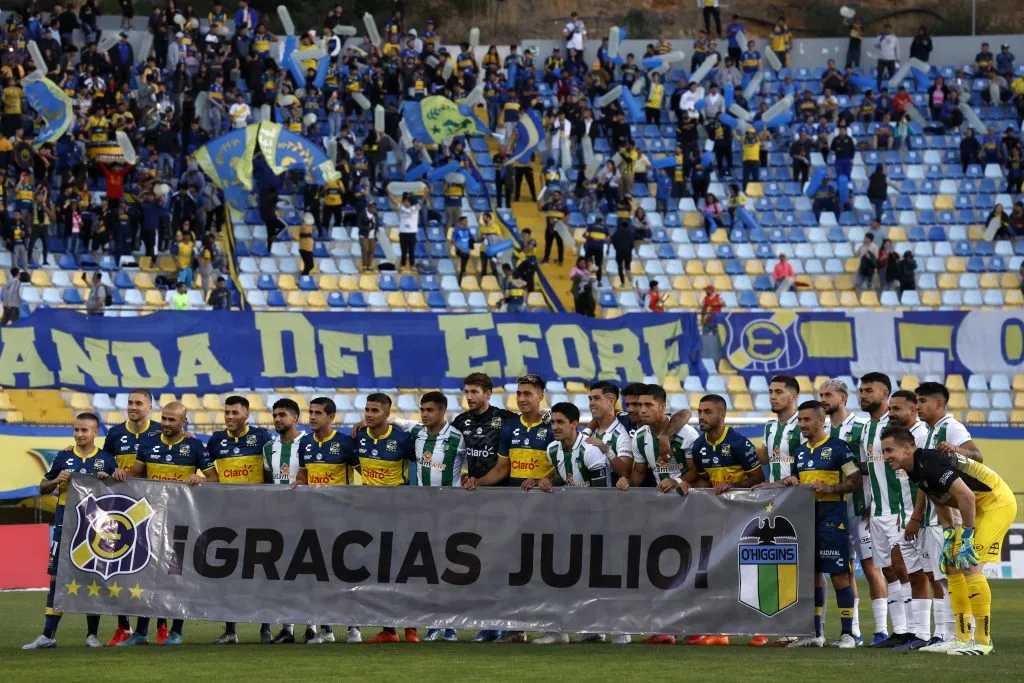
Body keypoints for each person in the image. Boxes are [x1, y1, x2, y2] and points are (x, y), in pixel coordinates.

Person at [881, 426, 1016, 656]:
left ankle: (983, 642)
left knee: (970, 565)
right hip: (979, 507)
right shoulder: (916, 468)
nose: (885, 457)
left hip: (996, 503)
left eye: (889, 450)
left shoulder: (931, 463)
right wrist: (949, 536)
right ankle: (962, 638)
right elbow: (939, 499)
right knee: (952, 565)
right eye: (883, 451)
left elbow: (967, 496)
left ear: (907, 447)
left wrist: (967, 536)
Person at [760, 400, 862, 648]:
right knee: (812, 576)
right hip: (806, 519)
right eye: (800, 420)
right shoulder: (800, 450)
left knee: (839, 575)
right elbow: (797, 479)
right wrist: (784, 483)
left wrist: (831, 488)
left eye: (807, 420)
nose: (803, 424)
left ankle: (848, 634)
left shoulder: (839, 448)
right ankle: (815, 634)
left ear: (821, 420)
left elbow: (856, 480)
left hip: (832, 518)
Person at [22, 413, 124, 650]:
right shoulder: (63, 457)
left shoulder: (106, 460)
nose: (79, 435)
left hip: (93, 528)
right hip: (64, 523)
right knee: (56, 577)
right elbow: (43, 488)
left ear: (95, 432)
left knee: (92, 576)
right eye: (76, 430)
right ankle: (48, 635)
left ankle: (91, 635)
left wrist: (112, 479)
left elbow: (119, 494)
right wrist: (57, 479)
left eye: (84, 430)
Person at [117, 402, 211, 647]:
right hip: (151, 521)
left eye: (172, 420)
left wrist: (200, 478)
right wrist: (115, 474)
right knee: (147, 577)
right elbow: (135, 474)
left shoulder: (194, 446)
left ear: (183, 422)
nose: (166, 424)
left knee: (176, 577)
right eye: (164, 419)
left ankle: (176, 632)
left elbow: (214, 478)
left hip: (182, 523)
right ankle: (140, 632)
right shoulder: (148, 444)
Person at [913, 382, 984, 652]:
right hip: (938, 514)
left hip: (954, 511)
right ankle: (956, 635)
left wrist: (958, 450)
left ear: (939, 405)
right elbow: (924, 479)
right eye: (917, 401)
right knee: (947, 575)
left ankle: (971, 634)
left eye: (922, 401)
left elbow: (978, 456)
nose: (917, 406)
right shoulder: (928, 434)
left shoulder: (950, 427)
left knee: (962, 572)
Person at [688, 393, 763, 646]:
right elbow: (700, 478)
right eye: (699, 411)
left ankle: (760, 630)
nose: (701, 416)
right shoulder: (699, 446)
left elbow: (757, 478)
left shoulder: (739, 443)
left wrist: (732, 486)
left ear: (722, 414)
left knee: (748, 573)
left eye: (707, 412)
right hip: (717, 518)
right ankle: (719, 632)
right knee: (719, 573)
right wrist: (693, 488)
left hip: (745, 517)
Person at [857, 372, 924, 649]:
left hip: (900, 509)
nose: (863, 395)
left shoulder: (896, 427)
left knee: (904, 568)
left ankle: (914, 631)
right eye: (861, 390)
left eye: (868, 391)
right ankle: (899, 630)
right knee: (887, 571)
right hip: (878, 511)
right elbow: (868, 468)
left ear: (884, 394)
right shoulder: (865, 429)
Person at [207, 396, 274, 644]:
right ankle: (231, 630)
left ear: (246, 414)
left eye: (235, 412)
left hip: (259, 515)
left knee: (263, 570)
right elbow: (203, 464)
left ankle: (265, 627)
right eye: (226, 412)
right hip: (227, 516)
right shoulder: (216, 440)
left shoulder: (262, 437)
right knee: (229, 572)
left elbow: (273, 470)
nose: (229, 417)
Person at [293, 397, 360, 644]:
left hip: (341, 520)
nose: (312, 417)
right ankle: (327, 630)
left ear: (331, 417)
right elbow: (303, 473)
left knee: (344, 573)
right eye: (310, 412)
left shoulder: (344, 444)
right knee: (319, 575)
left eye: (318, 413)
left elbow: (364, 473)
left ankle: (353, 627)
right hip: (314, 519)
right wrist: (300, 483)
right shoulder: (306, 443)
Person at [353, 393, 417, 643]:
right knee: (379, 572)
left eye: (375, 410)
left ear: (387, 414)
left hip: (399, 512)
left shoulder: (402, 439)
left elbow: (417, 466)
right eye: (367, 409)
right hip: (370, 513)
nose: (369, 414)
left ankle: (411, 629)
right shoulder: (358, 438)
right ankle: (389, 630)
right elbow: (356, 465)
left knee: (403, 571)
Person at [411, 392, 466, 642]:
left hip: (451, 512)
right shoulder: (416, 434)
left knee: (450, 570)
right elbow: (395, 425)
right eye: (422, 409)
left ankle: (451, 625)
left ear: (442, 411)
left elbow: (475, 467)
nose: (424, 414)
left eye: (429, 410)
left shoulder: (457, 438)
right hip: (423, 512)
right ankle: (434, 624)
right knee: (428, 570)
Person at [875, 23, 899, 91]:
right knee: (879, 75)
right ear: (884, 29)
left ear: (890, 30)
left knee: (892, 75)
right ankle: (878, 89)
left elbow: (897, 48)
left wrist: (898, 57)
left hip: (891, 59)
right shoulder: (880, 37)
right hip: (881, 59)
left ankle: (892, 89)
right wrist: (880, 39)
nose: (887, 30)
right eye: (886, 29)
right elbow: (876, 47)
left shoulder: (894, 37)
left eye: (888, 29)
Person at [357, 201, 379, 272]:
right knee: (365, 250)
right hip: (364, 235)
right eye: (372, 207)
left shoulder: (375, 215)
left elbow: (377, 224)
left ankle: (369, 265)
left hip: (373, 236)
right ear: (369, 207)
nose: (374, 209)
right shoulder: (363, 214)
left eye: (374, 207)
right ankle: (364, 266)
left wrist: (376, 230)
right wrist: (366, 228)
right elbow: (358, 224)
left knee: (371, 250)